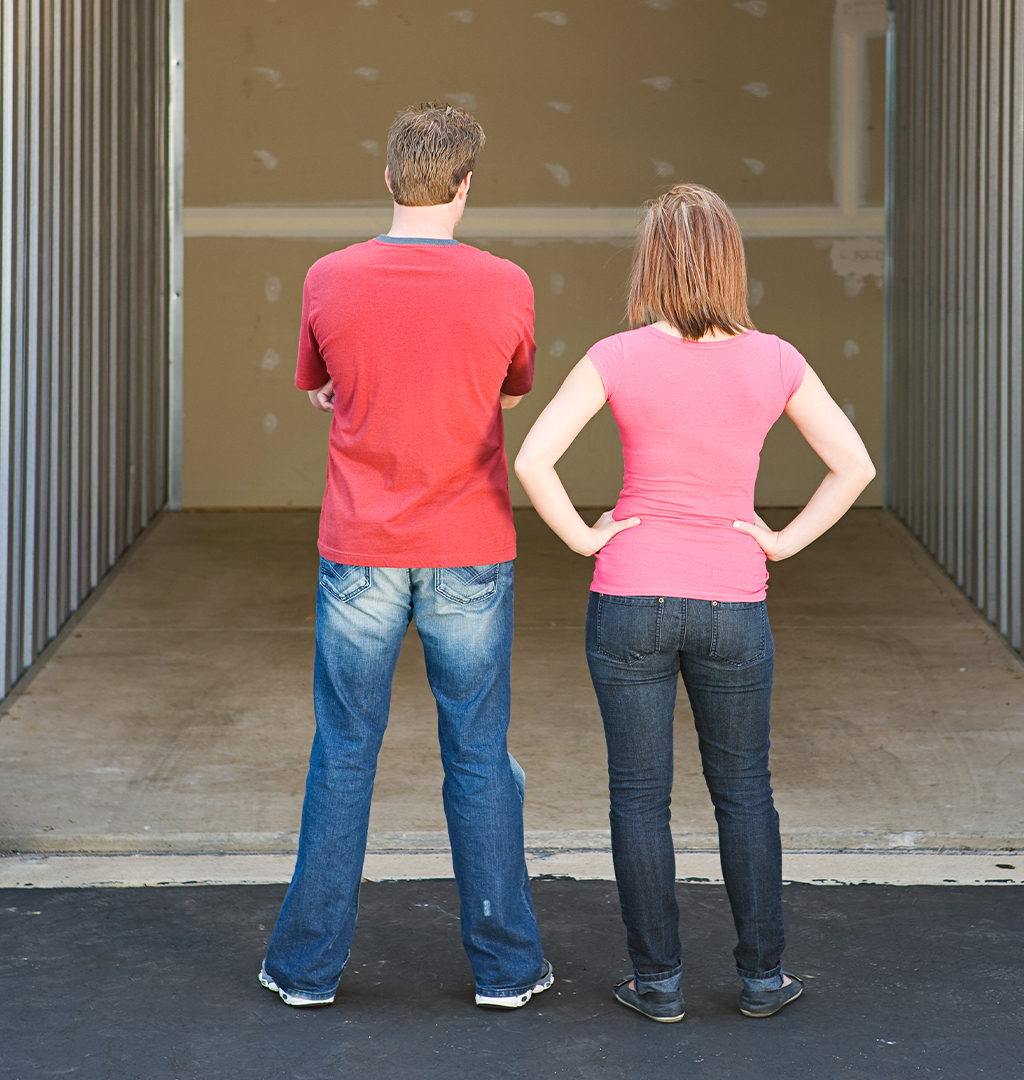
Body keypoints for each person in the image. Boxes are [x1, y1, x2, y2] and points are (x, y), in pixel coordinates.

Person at [515, 183, 875, 1023]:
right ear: (729, 261)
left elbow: (534, 459)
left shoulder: (617, 354)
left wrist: (583, 535)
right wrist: (781, 541)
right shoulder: (775, 358)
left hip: (630, 592)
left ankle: (659, 984)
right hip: (732, 602)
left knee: (639, 797)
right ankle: (761, 979)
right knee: (744, 791)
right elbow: (853, 465)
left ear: (653, 261)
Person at [260, 103, 551, 1010]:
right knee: (478, 755)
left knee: (344, 749)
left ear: (389, 180)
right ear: (467, 186)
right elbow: (507, 391)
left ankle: (306, 969)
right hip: (470, 549)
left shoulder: (328, 277)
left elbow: (321, 387)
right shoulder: (507, 283)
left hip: (361, 551)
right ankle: (506, 969)